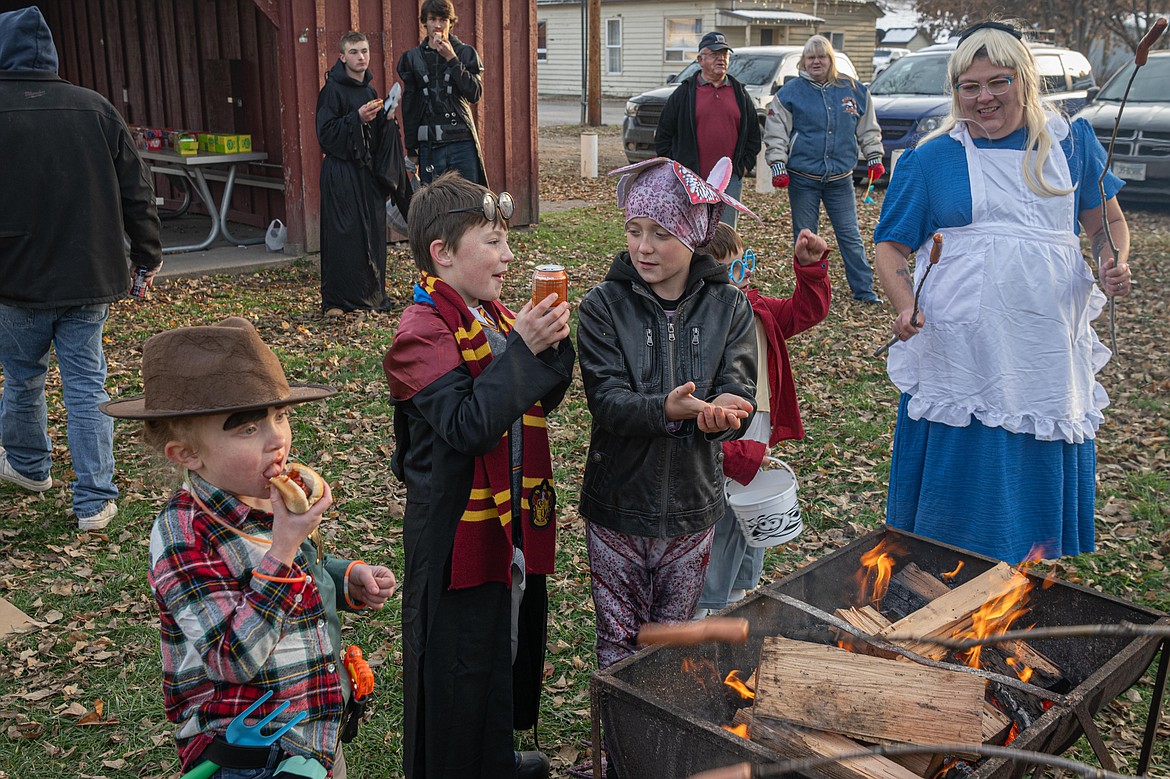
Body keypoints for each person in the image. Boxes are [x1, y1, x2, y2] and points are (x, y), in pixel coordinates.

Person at [873, 21, 1133, 565]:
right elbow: (891, 249)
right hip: (961, 347)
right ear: (955, 91)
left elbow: (1105, 221)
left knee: (1031, 449)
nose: (983, 96)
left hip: (1043, 346)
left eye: (998, 81)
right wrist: (905, 306)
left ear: (1025, 81)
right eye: (969, 86)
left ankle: (1023, 576)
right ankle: (943, 571)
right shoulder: (930, 158)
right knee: (961, 479)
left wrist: (1114, 260)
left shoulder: (1071, 144)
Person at [99, 316, 397, 778]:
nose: (277, 438)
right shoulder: (183, 533)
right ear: (188, 454)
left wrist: (344, 577)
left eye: (280, 416)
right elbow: (231, 658)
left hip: (313, 723)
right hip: (245, 745)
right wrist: (283, 547)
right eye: (247, 429)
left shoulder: (269, 495)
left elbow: (301, 566)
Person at [383, 171, 574, 779]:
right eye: (492, 241)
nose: (508, 255)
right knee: (453, 660)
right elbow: (468, 424)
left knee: (499, 643)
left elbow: (534, 400)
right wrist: (521, 352)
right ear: (442, 252)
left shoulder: (488, 315)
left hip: (503, 516)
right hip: (452, 531)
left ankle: (492, 758)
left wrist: (549, 350)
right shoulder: (421, 332)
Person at [0, 6, 162, 531]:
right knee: (87, 385)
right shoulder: (95, 108)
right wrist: (148, 256)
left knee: (23, 378)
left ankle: (28, 466)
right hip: (89, 273)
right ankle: (94, 499)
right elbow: (138, 190)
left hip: (14, 277)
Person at [694, 223, 831, 618]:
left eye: (746, 262)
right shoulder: (699, 328)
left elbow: (807, 311)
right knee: (721, 510)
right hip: (721, 432)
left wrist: (810, 270)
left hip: (759, 424)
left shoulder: (758, 309)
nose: (746, 274)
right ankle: (707, 604)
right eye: (732, 269)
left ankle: (739, 590)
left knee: (751, 512)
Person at [764, 34, 884, 303]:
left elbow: (867, 128)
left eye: (822, 56)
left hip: (840, 179)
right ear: (803, 62)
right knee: (805, 238)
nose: (816, 61)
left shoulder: (853, 90)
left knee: (850, 235)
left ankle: (864, 290)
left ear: (831, 59)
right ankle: (808, 292)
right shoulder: (790, 93)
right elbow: (776, 132)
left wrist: (874, 156)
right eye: (811, 57)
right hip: (802, 178)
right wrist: (778, 164)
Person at [316, 31, 397, 316]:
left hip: (365, 174)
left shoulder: (370, 91)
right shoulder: (332, 91)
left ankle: (370, 296)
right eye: (353, 52)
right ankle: (338, 301)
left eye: (364, 51)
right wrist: (356, 118)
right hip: (341, 174)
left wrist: (386, 120)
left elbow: (373, 136)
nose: (360, 57)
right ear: (342, 57)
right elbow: (324, 135)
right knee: (344, 235)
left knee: (371, 234)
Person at [654, 31, 761, 227]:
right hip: (691, 180)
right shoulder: (684, 93)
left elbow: (754, 135)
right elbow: (663, 136)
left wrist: (743, 166)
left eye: (725, 54)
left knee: (724, 235)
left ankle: (722, 261)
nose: (721, 58)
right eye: (714, 54)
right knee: (690, 232)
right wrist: (678, 168)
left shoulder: (739, 93)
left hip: (729, 181)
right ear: (700, 59)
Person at [398, 0, 487, 185]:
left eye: (443, 20)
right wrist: (412, 149)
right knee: (434, 205)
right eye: (432, 19)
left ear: (450, 23)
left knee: (468, 202)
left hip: (462, 142)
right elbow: (410, 106)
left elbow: (475, 94)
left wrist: (452, 59)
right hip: (430, 145)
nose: (438, 25)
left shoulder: (465, 53)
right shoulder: (412, 58)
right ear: (425, 22)